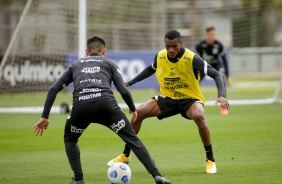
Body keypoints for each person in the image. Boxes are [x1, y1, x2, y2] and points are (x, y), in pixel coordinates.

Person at [32, 35, 172, 184]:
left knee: (70, 139)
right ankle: (156, 175)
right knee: (133, 140)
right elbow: (123, 90)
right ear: (104, 51)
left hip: (81, 108)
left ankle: (79, 180)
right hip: (107, 107)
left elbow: (53, 89)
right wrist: (132, 109)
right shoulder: (110, 63)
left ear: (86, 51)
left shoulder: (75, 65)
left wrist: (45, 116)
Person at [107, 30, 230, 174]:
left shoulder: (191, 58)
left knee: (199, 116)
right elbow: (150, 69)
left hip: (189, 99)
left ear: (181, 44)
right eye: (168, 46)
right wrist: (131, 82)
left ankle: (210, 160)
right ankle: (125, 155)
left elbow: (215, 74)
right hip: (168, 98)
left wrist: (221, 95)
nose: (171, 50)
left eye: (174, 46)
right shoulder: (160, 56)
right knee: (138, 113)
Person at [195, 26, 231, 115]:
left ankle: (223, 106)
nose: (211, 36)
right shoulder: (200, 46)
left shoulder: (219, 45)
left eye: (213, 35)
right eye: (209, 35)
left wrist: (228, 75)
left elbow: (225, 60)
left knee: (221, 80)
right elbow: (195, 60)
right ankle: (188, 104)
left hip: (216, 67)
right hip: (204, 67)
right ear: (205, 35)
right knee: (194, 82)